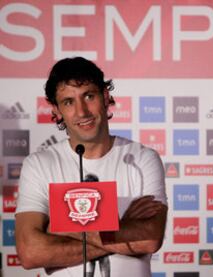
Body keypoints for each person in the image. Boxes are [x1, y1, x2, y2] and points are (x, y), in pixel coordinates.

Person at [15, 57, 168, 277]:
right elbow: (30, 252)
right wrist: (123, 227)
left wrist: (64, 227)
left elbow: (150, 239)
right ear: (57, 110)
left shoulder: (141, 158)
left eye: (89, 96)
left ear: (105, 97)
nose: (82, 111)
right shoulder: (39, 164)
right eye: (68, 102)